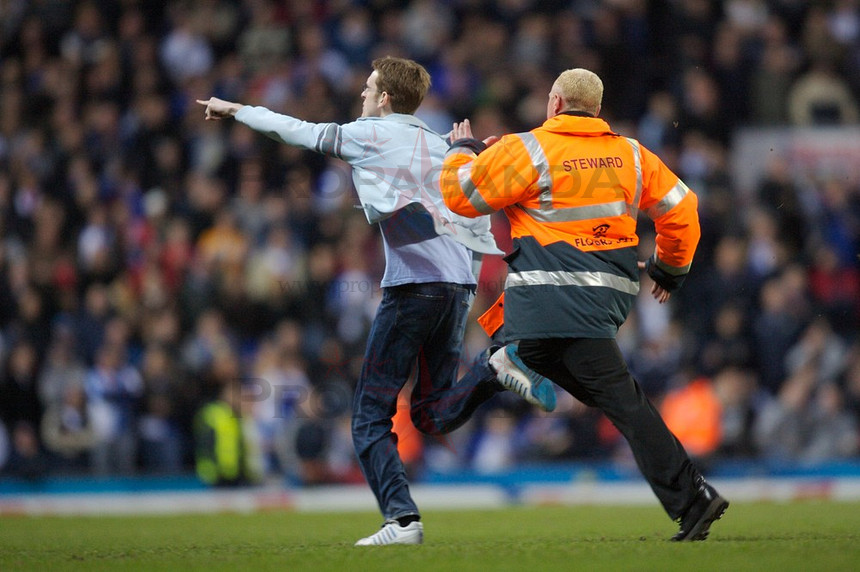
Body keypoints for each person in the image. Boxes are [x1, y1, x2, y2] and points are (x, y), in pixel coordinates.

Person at [197, 56, 555, 546]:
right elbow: (476, 218)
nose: (362, 95)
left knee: (368, 414)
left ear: (385, 98)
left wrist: (237, 110)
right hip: (455, 289)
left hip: (412, 288)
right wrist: (469, 284)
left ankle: (402, 521)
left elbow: (295, 131)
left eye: (369, 88)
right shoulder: (441, 146)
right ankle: (492, 370)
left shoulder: (369, 133)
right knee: (431, 413)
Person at [441, 68, 729, 541]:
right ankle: (693, 500)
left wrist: (461, 154)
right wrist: (669, 269)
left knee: (515, 363)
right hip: (607, 300)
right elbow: (684, 209)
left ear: (554, 103)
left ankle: (483, 378)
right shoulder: (631, 154)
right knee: (620, 400)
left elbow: (461, 197)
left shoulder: (528, 147)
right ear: (595, 110)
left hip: (544, 297)